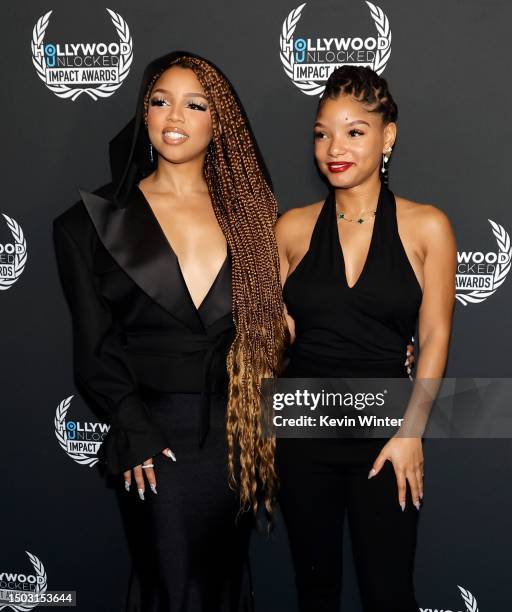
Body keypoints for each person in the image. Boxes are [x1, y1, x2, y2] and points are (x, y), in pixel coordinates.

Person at [53, 51, 287, 612]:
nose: (173, 116)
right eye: (159, 101)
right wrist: (132, 428)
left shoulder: (254, 215)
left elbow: (285, 323)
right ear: (143, 112)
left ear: (219, 120)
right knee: (172, 587)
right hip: (153, 438)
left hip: (237, 435)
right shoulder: (89, 223)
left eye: (194, 103)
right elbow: (94, 349)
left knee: (226, 589)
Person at [274, 66, 456, 611]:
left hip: (388, 433)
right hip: (303, 428)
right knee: (315, 591)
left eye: (354, 131)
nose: (335, 146)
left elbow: (435, 333)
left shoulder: (428, 226)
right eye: (322, 132)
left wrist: (411, 432)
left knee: (389, 592)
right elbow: (276, 339)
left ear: (387, 137)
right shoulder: (291, 228)